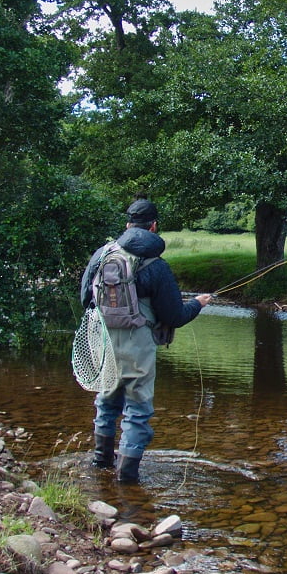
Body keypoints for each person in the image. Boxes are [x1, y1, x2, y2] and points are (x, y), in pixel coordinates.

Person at [79, 196, 212, 483]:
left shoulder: (102, 254)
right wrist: (198, 304)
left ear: (127, 225)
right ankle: (126, 479)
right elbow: (174, 316)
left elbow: (84, 299)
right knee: (137, 411)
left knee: (106, 400)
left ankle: (101, 463)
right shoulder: (156, 265)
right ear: (154, 227)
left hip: (101, 341)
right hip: (138, 345)